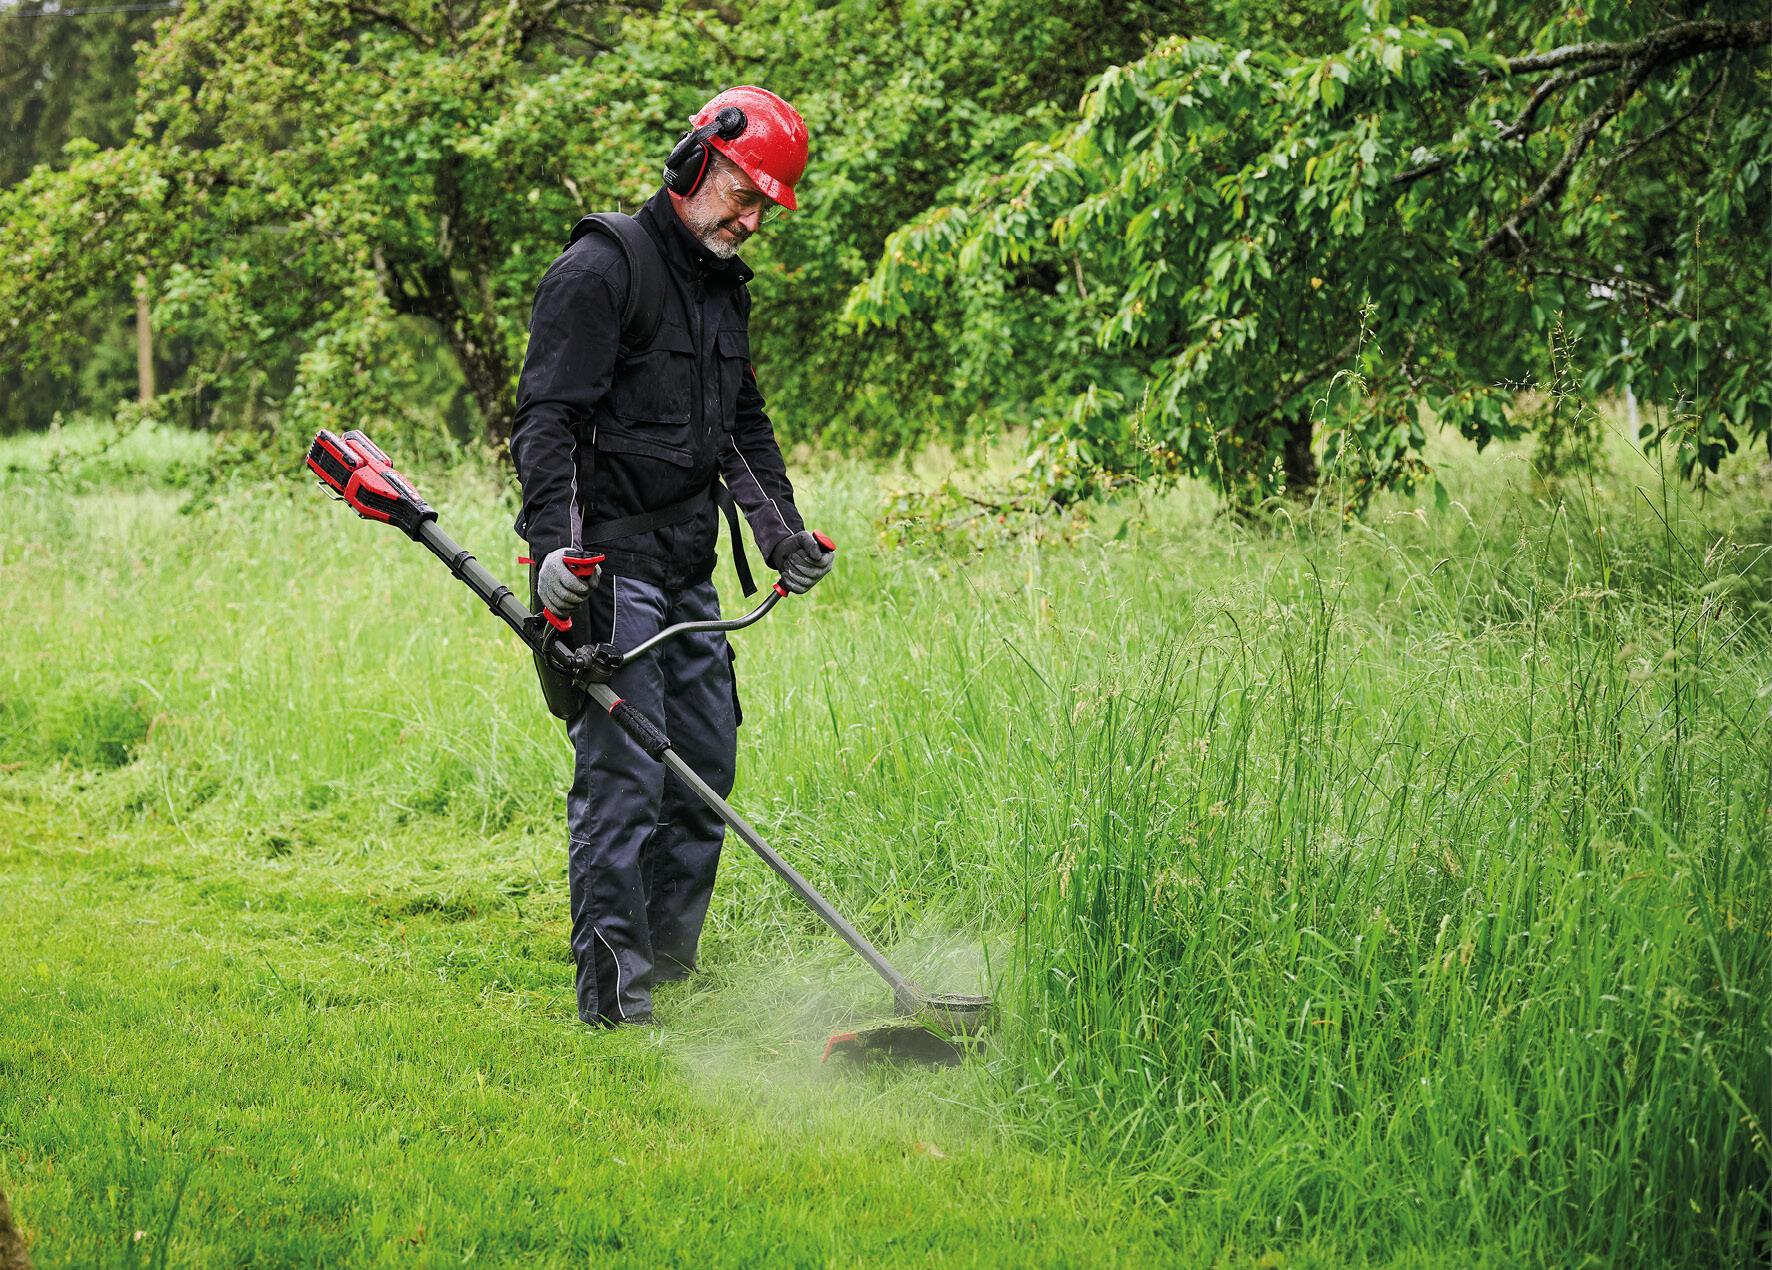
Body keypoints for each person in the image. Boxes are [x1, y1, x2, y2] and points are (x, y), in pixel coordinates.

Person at [509, 86, 835, 1028]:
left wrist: (782, 534)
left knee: (704, 768)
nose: (748, 218)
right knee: (627, 784)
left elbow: (738, 427)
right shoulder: (601, 269)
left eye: (763, 207)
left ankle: (669, 966)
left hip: (688, 569)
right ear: (696, 163)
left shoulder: (722, 290)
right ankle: (615, 1003)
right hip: (609, 572)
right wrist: (551, 553)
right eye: (741, 193)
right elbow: (549, 423)